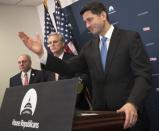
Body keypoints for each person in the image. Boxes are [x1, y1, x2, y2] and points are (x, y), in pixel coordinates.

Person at [18, 1, 151, 130]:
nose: (87, 25)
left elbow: (143, 75)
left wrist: (132, 103)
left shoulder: (129, 38)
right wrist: (42, 53)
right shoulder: (88, 47)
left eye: (90, 20)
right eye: (85, 22)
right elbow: (68, 68)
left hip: (128, 116)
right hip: (103, 118)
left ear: (103, 16)